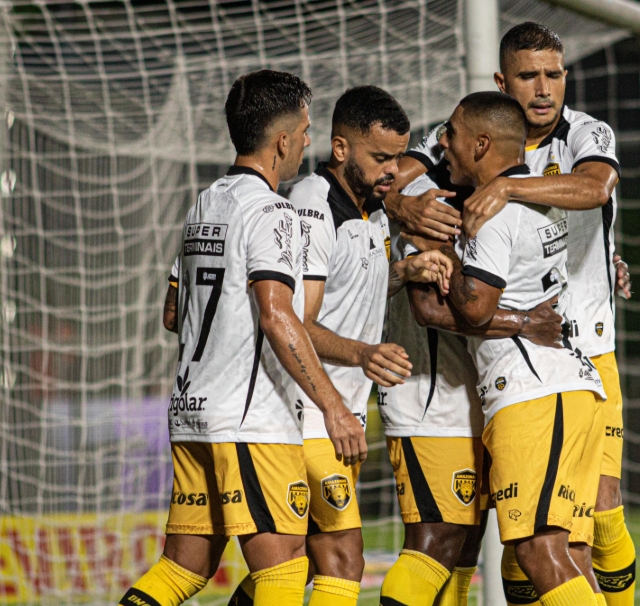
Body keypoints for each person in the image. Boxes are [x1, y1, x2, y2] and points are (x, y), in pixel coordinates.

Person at [386, 22, 637, 606]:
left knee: (590, 522)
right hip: (504, 364)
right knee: (521, 538)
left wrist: (509, 189)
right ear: (503, 80)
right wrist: (404, 205)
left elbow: (596, 189)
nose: (544, 88)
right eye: (529, 75)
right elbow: (390, 178)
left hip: (578, 353)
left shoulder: (585, 133)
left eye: (554, 73)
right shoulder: (470, 132)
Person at [117, 70, 367, 606]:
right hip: (251, 420)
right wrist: (333, 406)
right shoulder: (271, 211)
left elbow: (171, 312)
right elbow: (278, 316)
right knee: (282, 571)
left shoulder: (205, 203)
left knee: (182, 570)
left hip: (192, 413)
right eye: (303, 130)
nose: (306, 140)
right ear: (281, 140)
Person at [226, 86, 453, 606]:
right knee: (343, 557)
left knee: (297, 562)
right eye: (380, 157)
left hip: (337, 410)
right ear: (342, 148)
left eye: (398, 156)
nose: (392, 170)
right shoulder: (312, 204)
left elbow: (342, 292)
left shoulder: (367, 210)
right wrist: (364, 355)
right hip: (307, 412)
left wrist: (401, 273)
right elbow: (299, 321)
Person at [418, 90, 606, 606]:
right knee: (569, 554)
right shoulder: (538, 195)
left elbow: (475, 308)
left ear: (481, 143)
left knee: (536, 550)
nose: (443, 144)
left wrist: (439, 255)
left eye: (451, 133)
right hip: (572, 388)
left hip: (532, 394)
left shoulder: (490, 213)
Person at [377, 159, 565, 606]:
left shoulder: (484, 204)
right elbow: (430, 309)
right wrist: (523, 323)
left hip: (469, 405)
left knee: (465, 547)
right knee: (435, 543)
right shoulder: (427, 207)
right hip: (426, 403)